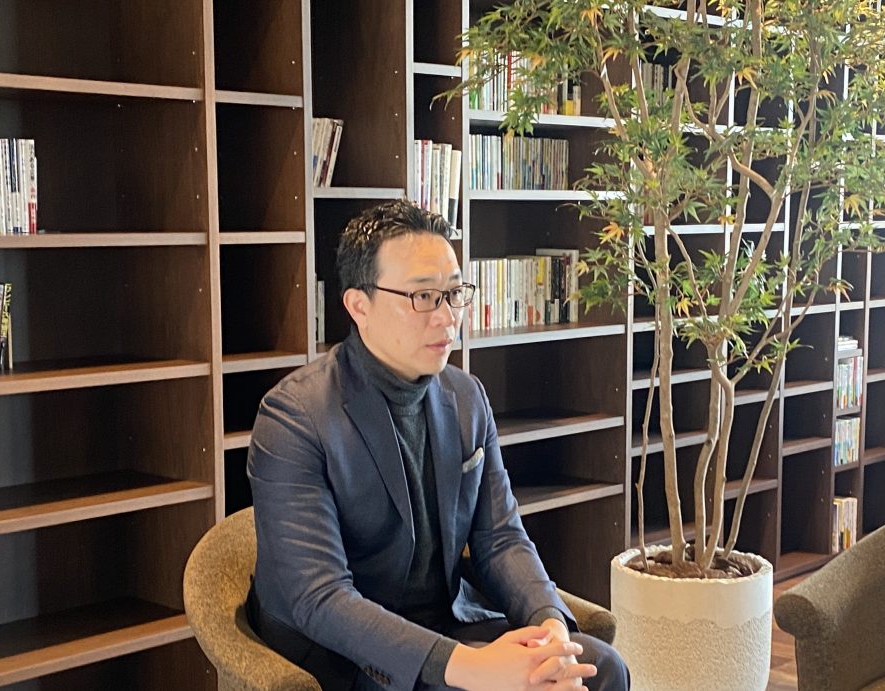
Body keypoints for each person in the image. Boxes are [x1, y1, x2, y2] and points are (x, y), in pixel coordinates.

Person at [246, 199, 629, 690]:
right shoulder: (294, 416)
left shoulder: (466, 396)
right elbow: (320, 598)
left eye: (454, 293)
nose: (447, 317)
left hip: (446, 621)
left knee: (599, 668)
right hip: (348, 653)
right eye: (424, 296)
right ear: (359, 306)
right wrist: (473, 668)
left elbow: (501, 539)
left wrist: (548, 625)